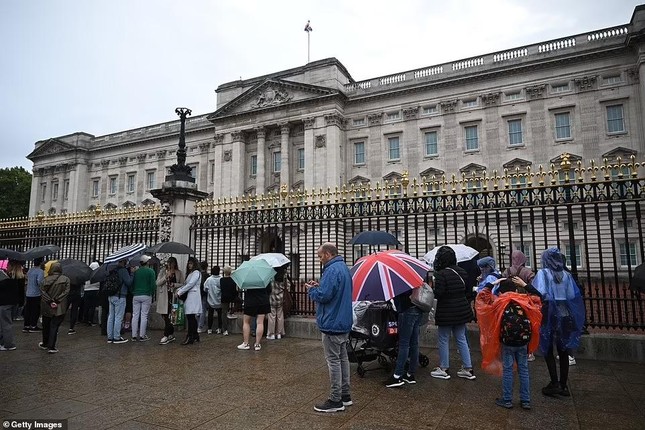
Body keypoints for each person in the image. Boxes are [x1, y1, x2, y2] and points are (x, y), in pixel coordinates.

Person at [522, 247, 585, 397]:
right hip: (565, 314)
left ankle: (554, 382)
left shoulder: (544, 274)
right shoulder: (566, 275)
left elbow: (541, 293)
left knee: (548, 349)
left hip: (550, 314)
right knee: (563, 350)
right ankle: (563, 385)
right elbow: (571, 294)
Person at [476, 278, 542, 410]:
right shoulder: (525, 300)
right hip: (523, 340)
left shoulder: (499, 302)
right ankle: (525, 400)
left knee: (508, 369)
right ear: (516, 290)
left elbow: (482, 298)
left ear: (500, 292)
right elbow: (539, 297)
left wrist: (491, 283)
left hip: (507, 340)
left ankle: (507, 400)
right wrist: (525, 284)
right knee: (523, 369)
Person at [307, 243, 353, 413]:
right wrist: (319, 286)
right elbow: (335, 291)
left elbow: (324, 296)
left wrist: (312, 290)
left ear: (327, 254)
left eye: (320, 256)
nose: (319, 260)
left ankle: (335, 399)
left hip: (332, 321)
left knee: (333, 361)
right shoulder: (344, 268)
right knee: (343, 359)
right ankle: (346, 395)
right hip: (343, 320)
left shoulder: (331, 270)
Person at [430, 245, 476, 380]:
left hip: (446, 311)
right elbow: (467, 290)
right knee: (461, 338)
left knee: (443, 339)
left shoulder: (441, 274)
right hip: (461, 309)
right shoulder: (462, 271)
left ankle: (444, 368)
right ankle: (468, 368)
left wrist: (433, 287)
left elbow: (439, 293)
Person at [385, 285, 425, 388]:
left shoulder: (402, 280)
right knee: (414, 343)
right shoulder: (414, 274)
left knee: (404, 344)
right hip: (418, 309)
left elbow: (403, 293)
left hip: (406, 310)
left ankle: (397, 375)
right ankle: (410, 374)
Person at [502, 250, 537, 361]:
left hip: (509, 301)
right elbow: (534, 286)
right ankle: (529, 352)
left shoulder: (507, 271)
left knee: (511, 324)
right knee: (527, 325)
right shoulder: (527, 272)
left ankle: (510, 349)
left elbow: (501, 284)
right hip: (525, 301)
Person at [39, 261, 70, 353]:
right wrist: (56, 301)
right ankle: (51, 346)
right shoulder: (66, 279)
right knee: (54, 326)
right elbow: (66, 292)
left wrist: (50, 301)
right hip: (59, 306)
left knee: (46, 325)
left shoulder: (45, 280)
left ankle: (45, 343)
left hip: (46, 305)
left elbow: (42, 292)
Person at [237, 269, 270, 351]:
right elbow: (269, 290)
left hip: (251, 301)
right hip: (263, 301)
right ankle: (257, 344)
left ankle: (246, 343)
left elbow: (243, 287)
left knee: (246, 322)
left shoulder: (248, 278)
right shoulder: (265, 276)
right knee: (260, 322)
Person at [156, 256, 184, 345]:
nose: (170, 265)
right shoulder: (163, 272)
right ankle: (170, 333)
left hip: (174, 297)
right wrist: (165, 277)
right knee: (165, 316)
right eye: (169, 263)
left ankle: (166, 335)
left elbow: (182, 284)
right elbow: (158, 283)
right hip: (164, 297)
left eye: (172, 263)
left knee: (172, 316)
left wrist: (174, 285)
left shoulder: (179, 273)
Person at [175, 257, 202, 345]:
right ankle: (194, 335)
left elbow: (190, 284)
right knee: (190, 317)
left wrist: (180, 292)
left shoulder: (196, 273)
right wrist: (179, 289)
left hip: (193, 296)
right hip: (190, 297)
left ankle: (190, 336)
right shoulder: (191, 273)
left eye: (191, 263)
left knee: (191, 317)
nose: (189, 265)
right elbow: (186, 284)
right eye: (189, 263)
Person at [0, 260, 25, 351]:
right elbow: (21, 292)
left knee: (5, 324)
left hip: (4, 302)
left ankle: (9, 344)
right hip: (14, 303)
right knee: (6, 323)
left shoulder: (6, 278)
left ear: (11, 266)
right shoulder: (21, 277)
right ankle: (3, 342)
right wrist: (20, 303)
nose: (7, 267)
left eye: (8, 265)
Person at [130, 255, 156, 342]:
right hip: (146, 294)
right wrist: (151, 292)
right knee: (144, 315)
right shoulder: (151, 271)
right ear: (147, 262)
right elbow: (153, 285)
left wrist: (133, 291)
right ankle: (142, 335)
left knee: (135, 315)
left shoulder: (136, 272)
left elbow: (132, 283)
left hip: (136, 294)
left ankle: (133, 335)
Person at [107, 259, 133, 344]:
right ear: (123, 262)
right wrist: (132, 274)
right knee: (118, 317)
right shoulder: (123, 270)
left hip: (111, 295)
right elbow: (128, 282)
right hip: (120, 296)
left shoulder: (113, 270)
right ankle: (117, 337)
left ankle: (110, 337)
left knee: (111, 316)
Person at [23, 257, 44, 333]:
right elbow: (40, 282)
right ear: (41, 263)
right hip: (36, 293)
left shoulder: (30, 270)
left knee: (28, 310)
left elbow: (26, 279)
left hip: (28, 293)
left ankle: (26, 326)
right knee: (35, 310)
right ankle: (33, 325)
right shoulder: (40, 271)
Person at [266, 266, 287, 340]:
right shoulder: (284, 275)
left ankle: (271, 334)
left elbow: (268, 287)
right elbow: (287, 285)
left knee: (272, 316)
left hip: (272, 298)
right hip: (280, 297)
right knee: (280, 316)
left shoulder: (271, 274)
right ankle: (279, 333)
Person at [203, 265, 222, 334]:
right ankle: (219, 328)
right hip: (220, 300)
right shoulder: (221, 279)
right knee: (220, 315)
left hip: (211, 300)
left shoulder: (209, 279)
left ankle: (209, 329)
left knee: (210, 315)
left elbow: (205, 288)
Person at [219, 266, 237, 336]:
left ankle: (225, 329)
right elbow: (234, 290)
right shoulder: (233, 280)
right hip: (232, 297)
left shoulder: (221, 280)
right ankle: (232, 311)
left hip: (224, 297)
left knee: (224, 313)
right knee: (240, 301)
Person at [81, 261, 101, 326]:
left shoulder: (87, 273)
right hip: (95, 290)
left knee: (86, 306)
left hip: (87, 290)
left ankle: (85, 320)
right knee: (92, 306)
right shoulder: (98, 274)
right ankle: (91, 320)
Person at [198, 260, 209, 333]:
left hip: (198, 293)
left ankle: (201, 324)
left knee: (198, 310)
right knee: (203, 310)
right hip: (204, 294)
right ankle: (200, 326)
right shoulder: (206, 275)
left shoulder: (198, 274)